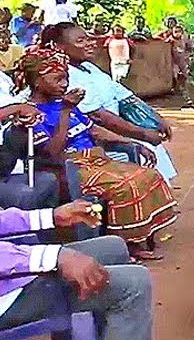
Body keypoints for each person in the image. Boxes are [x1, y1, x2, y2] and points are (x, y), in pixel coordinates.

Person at [0, 202, 186, 340]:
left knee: (114, 248)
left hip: (11, 276)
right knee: (134, 284)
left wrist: (51, 216)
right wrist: (54, 257)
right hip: (7, 298)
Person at [20, 48, 178, 260]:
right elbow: (52, 152)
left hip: (95, 159)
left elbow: (93, 130)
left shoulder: (63, 103)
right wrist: (66, 110)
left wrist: (134, 143)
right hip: (70, 168)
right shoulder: (31, 112)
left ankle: (134, 241)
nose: (64, 84)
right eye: (57, 79)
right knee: (125, 185)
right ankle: (120, 246)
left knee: (149, 175)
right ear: (38, 82)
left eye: (66, 78)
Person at [41, 23, 180, 185]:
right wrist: (142, 134)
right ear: (59, 47)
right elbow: (98, 117)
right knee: (144, 152)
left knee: (152, 150)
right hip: (98, 140)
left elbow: (124, 96)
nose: (90, 43)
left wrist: (156, 118)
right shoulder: (65, 77)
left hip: (117, 133)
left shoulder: (89, 67)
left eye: (88, 38)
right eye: (81, 41)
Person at [0, 75, 61, 211]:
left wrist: (23, 122)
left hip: (5, 167)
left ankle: (47, 230)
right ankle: (25, 230)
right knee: (25, 194)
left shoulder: (2, 80)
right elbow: (12, 108)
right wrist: (16, 108)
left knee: (48, 180)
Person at [162, 24, 194, 91]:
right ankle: (174, 88)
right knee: (174, 74)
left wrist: (189, 56)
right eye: (175, 32)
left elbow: (190, 48)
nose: (177, 34)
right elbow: (164, 44)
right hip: (174, 61)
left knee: (185, 74)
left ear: (182, 32)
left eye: (179, 32)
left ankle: (184, 87)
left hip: (183, 60)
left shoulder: (184, 39)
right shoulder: (171, 39)